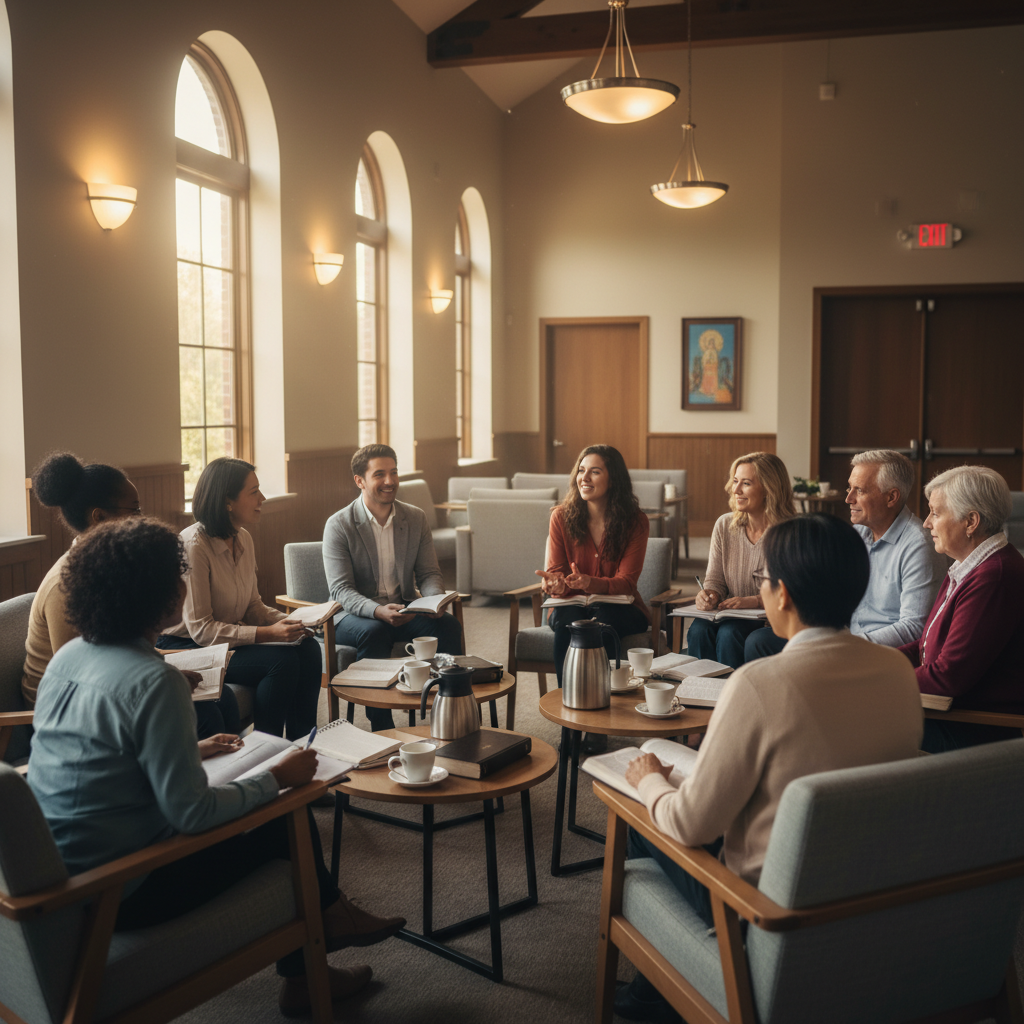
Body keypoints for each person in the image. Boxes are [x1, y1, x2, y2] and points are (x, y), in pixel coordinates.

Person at [28, 517, 405, 1016]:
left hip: (65, 864)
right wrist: (276, 779)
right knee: (286, 818)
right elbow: (192, 814)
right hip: (120, 889)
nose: (183, 584)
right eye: (177, 575)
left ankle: (323, 937)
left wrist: (192, 749)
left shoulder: (70, 656)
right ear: (157, 592)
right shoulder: (152, 680)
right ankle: (319, 946)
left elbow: (95, 754)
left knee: (272, 800)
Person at [616, 514, 922, 1023]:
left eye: (764, 579)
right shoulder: (899, 672)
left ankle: (664, 988)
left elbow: (691, 825)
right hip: (872, 884)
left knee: (641, 811)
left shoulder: (760, 683)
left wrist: (648, 778)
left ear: (781, 595)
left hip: (768, 908)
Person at [22, 451, 239, 737]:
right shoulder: (66, 585)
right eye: (134, 510)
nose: (142, 517)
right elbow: (81, 672)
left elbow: (121, 648)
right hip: (69, 709)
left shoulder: (110, 568)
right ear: (99, 517)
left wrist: (172, 663)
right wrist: (159, 678)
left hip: (109, 681)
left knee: (222, 699)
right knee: (205, 716)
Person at [159, 458, 321, 740]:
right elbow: (201, 630)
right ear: (227, 502)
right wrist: (268, 633)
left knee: (307, 647)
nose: (263, 498)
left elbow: (252, 606)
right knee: (281, 661)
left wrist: (292, 622)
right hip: (187, 646)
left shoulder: (243, 537)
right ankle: (266, 750)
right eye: (254, 492)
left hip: (225, 641)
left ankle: (302, 744)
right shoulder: (193, 546)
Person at [744, 449, 947, 661]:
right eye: (849, 488)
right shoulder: (857, 532)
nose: (849, 499)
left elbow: (914, 628)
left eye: (859, 490)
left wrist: (846, 644)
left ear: (891, 497)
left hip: (878, 651)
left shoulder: (918, 545)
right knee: (759, 641)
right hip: (842, 636)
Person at [323, 444, 462, 730]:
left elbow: (429, 572)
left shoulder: (415, 517)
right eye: (380, 474)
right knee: (374, 632)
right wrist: (377, 610)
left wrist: (433, 601)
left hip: (406, 608)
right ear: (359, 481)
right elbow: (341, 591)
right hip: (354, 615)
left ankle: (448, 714)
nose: (390, 481)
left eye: (394, 472)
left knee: (448, 626)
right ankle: (382, 728)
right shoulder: (339, 525)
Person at [899, 465, 1024, 753]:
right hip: (953, 715)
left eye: (936, 512)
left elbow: (946, 677)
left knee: (856, 723)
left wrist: (877, 678)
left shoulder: (995, 577)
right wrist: (873, 662)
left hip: (982, 731)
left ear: (971, 522)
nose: (926, 523)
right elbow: (928, 646)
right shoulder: (968, 566)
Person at [536, 444, 650, 687]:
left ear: (614, 479)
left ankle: (600, 708)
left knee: (602, 624)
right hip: (570, 604)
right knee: (570, 623)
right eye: (581, 470)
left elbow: (627, 583)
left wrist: (591, 583)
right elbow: (557, 573)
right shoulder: (561, 517)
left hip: (620, 607)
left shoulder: (635, 521)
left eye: (595, 472)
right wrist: (555, 585)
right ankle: (568, 711)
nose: (584, 478)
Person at [686, 452, 794, 668]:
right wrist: (709, 594)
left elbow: (791, 591)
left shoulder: (790, 531)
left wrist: (753, 600)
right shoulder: (724, 525)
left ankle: (733, 697)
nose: (735, 490)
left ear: (768, 489)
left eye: (746, 483)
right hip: (730, 614)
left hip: (771, 620)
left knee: (730, 633)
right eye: (735, 481)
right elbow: (715, 580)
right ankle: (698, 694)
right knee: (698, 629)